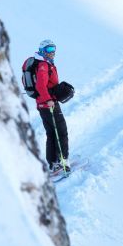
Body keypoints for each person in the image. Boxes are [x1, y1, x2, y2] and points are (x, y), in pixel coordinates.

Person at [34, 39, 70, 173]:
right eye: (49, 49)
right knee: (61, 132)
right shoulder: (43, 65)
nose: (52, 52)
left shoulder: (44, 64)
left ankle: (53, 163)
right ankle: (63, 161)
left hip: (43, 104)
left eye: (53, 49)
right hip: (48, 104)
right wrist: (49, 99)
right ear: (42, 50)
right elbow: (40, 86)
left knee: (51, 133)